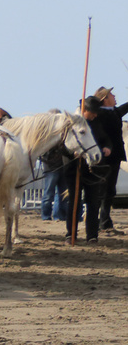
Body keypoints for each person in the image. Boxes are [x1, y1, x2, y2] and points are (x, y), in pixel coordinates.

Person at [63, 95, 117, 243]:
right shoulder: (73, 123)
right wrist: (71, 153)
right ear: (84, 110)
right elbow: (62, 147)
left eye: (96, 112)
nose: (94, 115)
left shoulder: (97, 123)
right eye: (92, 112)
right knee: (74, 202)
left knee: (93, 203)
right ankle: (71, 234)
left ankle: (92, 236)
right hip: (74, 169)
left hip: (93, 170)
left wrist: (107, 147)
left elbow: (106, 139)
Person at [90, 87, 126, 231]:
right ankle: (97, 220)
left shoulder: (114, 112)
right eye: (111, 94)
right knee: (101, 189)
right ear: (105, 98)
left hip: (115, 156)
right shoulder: (98, 113)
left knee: (110, 189)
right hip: (103, 157)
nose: (115, 96)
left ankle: (105, 221)